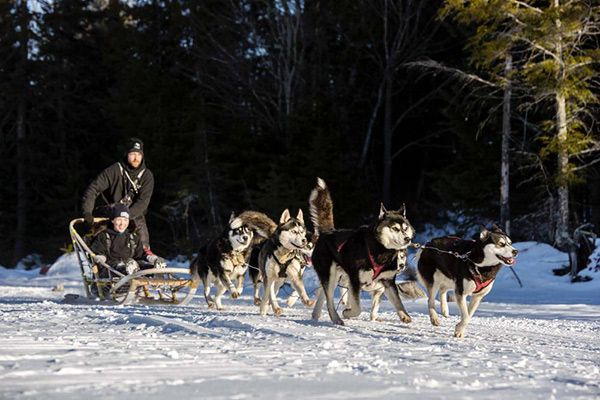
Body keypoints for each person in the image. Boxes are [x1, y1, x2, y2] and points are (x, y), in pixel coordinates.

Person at [82, 138, 154, 249]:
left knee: (142, 238)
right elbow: (93, 189)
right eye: (132, 154)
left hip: (134, 214)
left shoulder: (147, 176)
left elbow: (143, 201)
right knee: (103, 241)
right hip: (111, 213)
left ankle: (146, 257)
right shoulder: (114, 171)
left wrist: (126, 217)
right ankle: (101, 258)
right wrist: (87, 211)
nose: (136, 158)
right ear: (126, 154)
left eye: (139, 155)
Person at [90, 204, 166, 276]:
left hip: (133, 266)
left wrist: (150, 257)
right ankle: (130, 270)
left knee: (144, 266)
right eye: (119, 219)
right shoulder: (103, 236)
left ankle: (156, 270)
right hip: (111, 268)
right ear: (112, 220)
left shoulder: (132, 237)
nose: (122, 223)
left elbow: (140, 253)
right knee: (122, 267)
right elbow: (97, 251)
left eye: (125, 220)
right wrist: (100, 258)